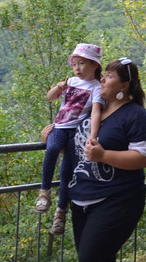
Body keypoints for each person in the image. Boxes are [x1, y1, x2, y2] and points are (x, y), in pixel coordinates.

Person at [66, 56, 146, 262]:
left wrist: (104, 156)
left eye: (109, 75)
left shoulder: (136, 116)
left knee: (92, 260)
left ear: (125, 85)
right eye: (102, 74)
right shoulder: (96, 110)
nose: (102, 78)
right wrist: (51, 132)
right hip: (82, 199)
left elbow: (142, 158)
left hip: (118, 199)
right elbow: (72, 133)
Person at [36, 43, 103, 235]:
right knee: (52, 149)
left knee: (67, 171)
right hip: (60, 127)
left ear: (94, 65)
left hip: (76, 132)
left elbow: (96, 112)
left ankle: (60, 212)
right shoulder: (71, 81)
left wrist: (92, 137)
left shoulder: (96, 87)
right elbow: (50, 97)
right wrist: (58, 87)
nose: (77, 68)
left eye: (82, 63)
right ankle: (44, 192)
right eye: (75, 64)